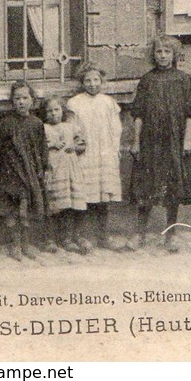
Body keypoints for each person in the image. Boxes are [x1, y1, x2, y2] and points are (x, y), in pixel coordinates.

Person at [128, 35, 191, 253]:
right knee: (147, 188)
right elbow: (138, 114)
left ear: (174, 55)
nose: (162, 55)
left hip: (175, 142)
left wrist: (187, 141)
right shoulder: (147, 80)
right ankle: (140, 234)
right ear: (153, 54)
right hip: (151, 141)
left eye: (167, 52)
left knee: (173, 190)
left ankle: (171, 235)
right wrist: (136, 141)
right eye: (159, 51)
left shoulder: (183, 80)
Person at [67, 63, 123, 250]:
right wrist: (77, 145)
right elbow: (72, 128)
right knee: (83, 194)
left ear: (102, 81)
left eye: (96, 80)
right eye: (88, 80)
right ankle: (80, 235)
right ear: (82, 82)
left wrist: (114, 150)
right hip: (85, 154)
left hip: (104, 152)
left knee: (103, 196)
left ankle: (103, 235)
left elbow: (116, 130)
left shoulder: (108, 103)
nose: (92, 84)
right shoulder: (75, 103)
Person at [0, 81, 47, 262]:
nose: (21, 102)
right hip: (11, 173)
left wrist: (43, 169)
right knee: (12, 209)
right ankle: (14, 243)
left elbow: (42, 148)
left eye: (25, 98)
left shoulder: (37, 124)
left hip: (30, 173)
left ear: (32, 100)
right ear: (12, 101)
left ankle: (26, 243)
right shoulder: (6, 124)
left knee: (28, 208)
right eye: (17, 98)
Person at [41, 95, 89, 254]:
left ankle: (67, 238)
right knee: (54, 205)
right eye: (49, 111)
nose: (53, 113)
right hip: (54, 171)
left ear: (62, 111)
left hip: (70, 171)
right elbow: (39, 148)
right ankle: (50, 239)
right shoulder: (43, 128)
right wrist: (52, 145)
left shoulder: (70, 127)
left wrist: (73, 147)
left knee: (69, 204)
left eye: (56, 110)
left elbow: (83, 145)